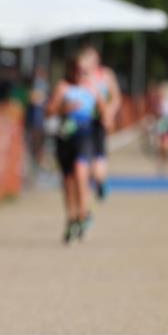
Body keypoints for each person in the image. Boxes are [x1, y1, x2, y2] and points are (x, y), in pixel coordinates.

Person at [47, 50, 107, 243]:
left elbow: (103, 112)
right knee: (68, 182)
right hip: (65, 137)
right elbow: (49, 111)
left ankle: (83, 214)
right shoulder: (63, 87)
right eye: (77, 70)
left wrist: (104, 121)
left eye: (84, 71)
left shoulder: (93, 88)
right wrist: (64, 109)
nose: (80, 74)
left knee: (81, 175)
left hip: (84, 136)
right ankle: (71, 218)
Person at [81, 45, 121, 200]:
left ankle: (98, 181)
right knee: (94, 156)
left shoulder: (104, 75)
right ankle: (97, 181)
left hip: (97, 120)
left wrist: (109, 114)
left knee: (97, 155)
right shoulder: (83, 76)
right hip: (85, 120)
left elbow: (115, 97)